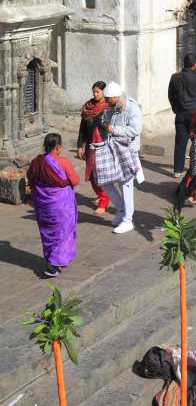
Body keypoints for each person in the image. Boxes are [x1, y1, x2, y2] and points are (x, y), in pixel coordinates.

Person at [91, 81, 143, 234]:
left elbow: (135, 129)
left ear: (115, 97)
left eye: (108, 99)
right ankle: (120, 211)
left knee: (125, 185)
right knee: (106, 181)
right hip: (112, 149)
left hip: (128, 151)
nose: (106, 102)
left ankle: (128, 220)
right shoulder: (111, 108)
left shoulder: (132, 108)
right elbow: (105, 123)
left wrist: (114, 129)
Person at [27, 132, 79, 277]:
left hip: (43, 204)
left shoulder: (37, 162)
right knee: (63, 232)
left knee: (49, 232)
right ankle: (53, 263)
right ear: (58, 148)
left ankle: (53, 260)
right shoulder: (63, 162)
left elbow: (31, 177)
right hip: (61, 204)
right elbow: (75, 180)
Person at [168, 55, 196, 178]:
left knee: (180, 142)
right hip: (195, 114)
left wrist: (175, 108)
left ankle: (177, 170)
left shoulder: (175, 77)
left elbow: (171, 95)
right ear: (194, 65)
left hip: (181, 113)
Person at [77, 80, 110, 213]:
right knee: (91, 174)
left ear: (103, 92)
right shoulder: (88, 107)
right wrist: (80, 145)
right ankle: (101, 195)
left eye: (98, 92)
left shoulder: (108, 107)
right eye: (94, 92)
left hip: (103, 145)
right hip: (90, 144)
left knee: (101, 173)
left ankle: (104, 200)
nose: (95, 94)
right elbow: (82, 128)